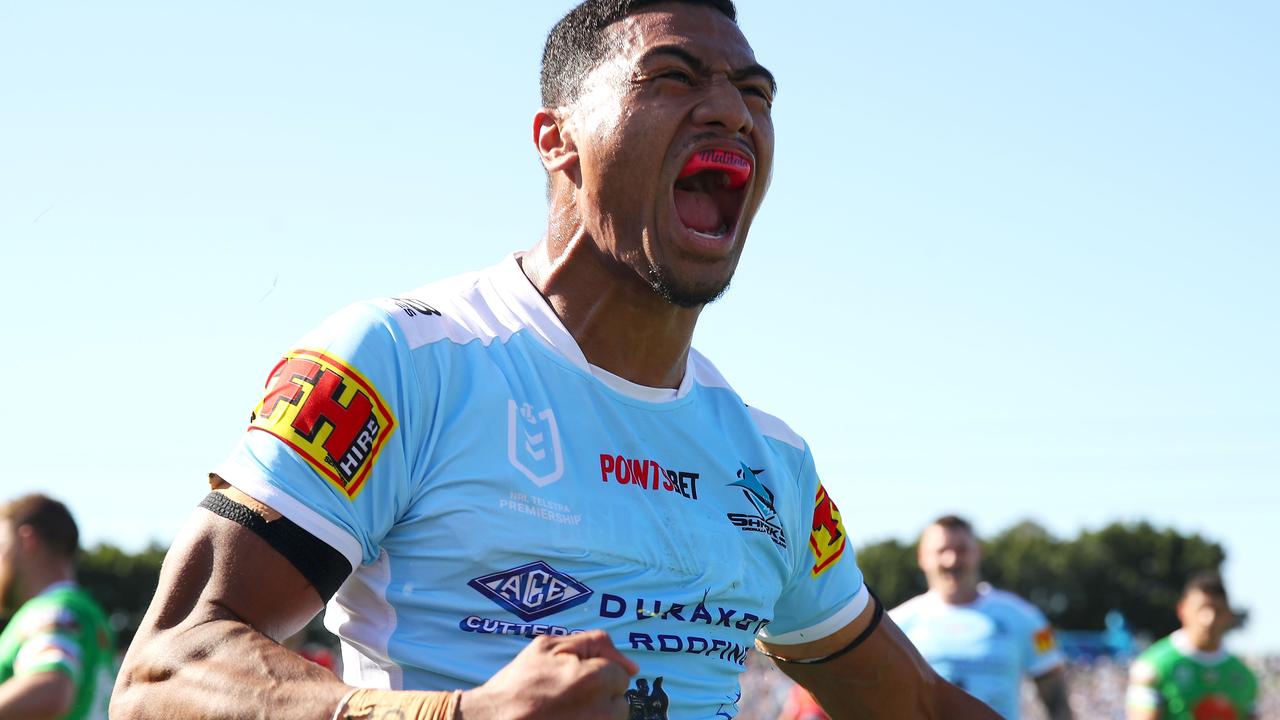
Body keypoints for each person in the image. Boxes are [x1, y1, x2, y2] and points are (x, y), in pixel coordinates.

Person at [111, 2, 1000, 718]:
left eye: (754, 92)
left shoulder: (775, 464)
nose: (732, 109)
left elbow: (912, 703)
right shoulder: (403, 361)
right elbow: (166, 669)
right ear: (555, 138)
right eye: (674, 77)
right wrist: (458, 717)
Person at [890, 515, 1073, 719]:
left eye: (962, 550)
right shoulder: (896, 624)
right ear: (922, 557)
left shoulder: (1027, 618)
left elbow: (1057, 700)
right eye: (941, 551)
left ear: (978, 552)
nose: (952, 560)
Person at [0, 494, 114, 720]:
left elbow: (53, 688)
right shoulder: (90, 613)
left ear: (27, 540)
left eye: (1, 546)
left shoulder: (52, 610)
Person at [1126, 571, 1258, 720]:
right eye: (1201, 609)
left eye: (1218, 611)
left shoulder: (1244, 676)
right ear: (1182, 610)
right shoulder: (1152, 667)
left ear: (1228, 616)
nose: (1209, 619)